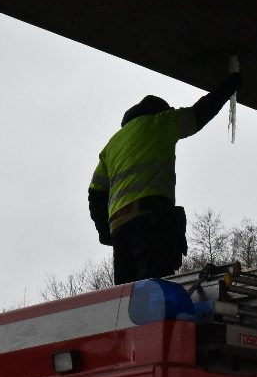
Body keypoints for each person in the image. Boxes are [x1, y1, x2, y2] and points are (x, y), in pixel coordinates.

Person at [88, 68, 242, 284]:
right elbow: (200, 112)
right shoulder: (159, 122)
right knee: (155, 289)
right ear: (159, 111)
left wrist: (105, 232)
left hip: (119, 229)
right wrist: (230, 85)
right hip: (150, 221)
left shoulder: (111, 146)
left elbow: (95, 193)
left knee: (126, 297)